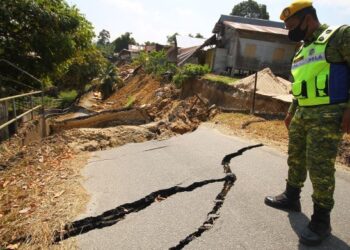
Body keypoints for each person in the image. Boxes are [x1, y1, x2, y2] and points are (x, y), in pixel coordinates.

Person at [264, 0, 350, 246]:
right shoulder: (303, 49)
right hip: (303, 112)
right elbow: (300, 84)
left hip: (328, 113)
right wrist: (292, 111)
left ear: (308, 19)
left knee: (320, 167)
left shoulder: (339, 36)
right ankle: (292, 196)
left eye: (292, 25)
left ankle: (322, 220)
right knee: (296, 156)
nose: (290, 31)